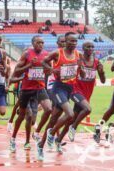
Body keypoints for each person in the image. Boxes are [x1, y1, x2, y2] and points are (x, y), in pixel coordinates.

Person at [38, 32, 84, 160]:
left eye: (75, 41)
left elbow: (83, 75)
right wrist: (52, 70)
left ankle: (41, 145)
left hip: (70, 88)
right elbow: (43, 62)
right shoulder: (57, 53)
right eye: (71, 41)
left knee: (53, 119)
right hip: (58, 88)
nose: (73, 43)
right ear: (66, 41)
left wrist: (81, 68)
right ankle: (52, 134)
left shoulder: (78, 54)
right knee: (70, 114)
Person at [9, 35, 52, 153]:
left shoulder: (46, 55)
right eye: (38, 42)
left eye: (42, 43)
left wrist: (47, 71)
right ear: (33, 44)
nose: (41, 45)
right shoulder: (27, 54)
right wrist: (29, 66)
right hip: (26, 89)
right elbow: (16, 72)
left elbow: (49, 71)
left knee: (48, 109)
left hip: (40, 88)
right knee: (24, 116)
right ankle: (14, 139)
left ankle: (36, 132)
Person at [68, 41, 105, 142]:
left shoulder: (97, 62)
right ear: (83, 48)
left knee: (72, 117)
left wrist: (102, 73)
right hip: (75, 90)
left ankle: (56, 133)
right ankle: (73, 128)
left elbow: (103, 81)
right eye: (88, 47)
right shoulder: (78, 60)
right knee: (87, 109)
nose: (91, 49)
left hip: (87, 93)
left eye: (92, 47)